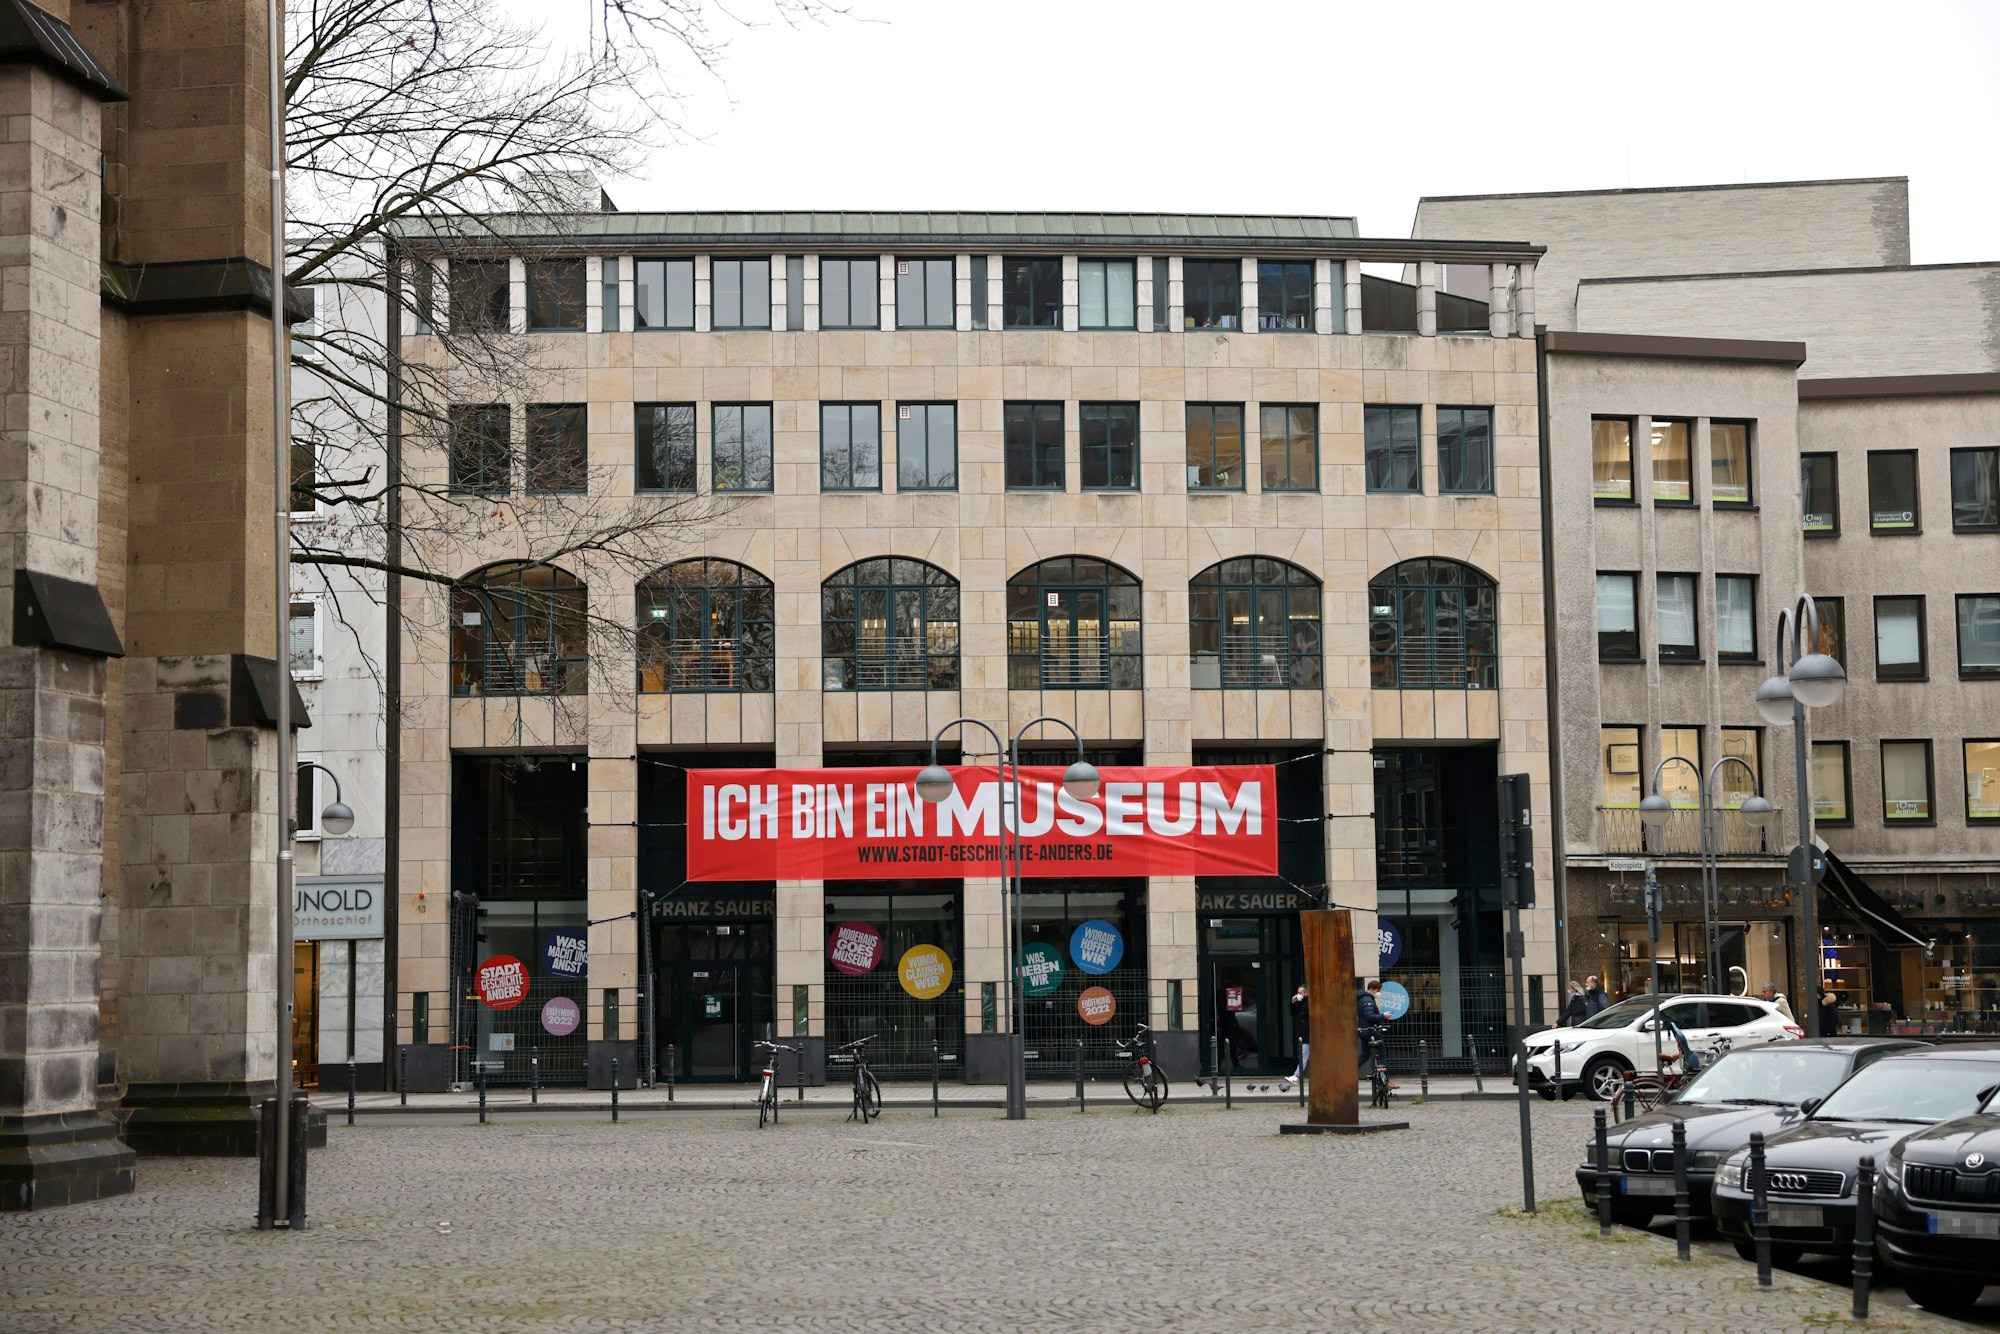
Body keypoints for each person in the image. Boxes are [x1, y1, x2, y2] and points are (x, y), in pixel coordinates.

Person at [1356, 979, 1393, 1084]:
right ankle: (1385, 1081)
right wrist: (1383, 1015)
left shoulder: (1363, 998)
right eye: (1377, 991)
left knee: (1365, 1055)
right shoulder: (1367, 1000)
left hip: (1364, 1031)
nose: (1378, 993)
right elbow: (1369, 1016)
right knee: (1382, 1053)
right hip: (1371, 1031)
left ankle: (1349, 1072)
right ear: (1371, 989)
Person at [1280, 984, 1309, 1092]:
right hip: (1301, 1034)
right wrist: (1293, 1003)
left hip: (1307, 1034)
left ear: (1306, 993)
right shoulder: (1300, 1003)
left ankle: (1295, 1076)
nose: (1298, 995)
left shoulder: (1308, 1002)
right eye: (1298, 993)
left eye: (1301, 993)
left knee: (1303, 1056)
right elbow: (1294, 1014)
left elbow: (1306, 1015)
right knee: (1303, 1056)